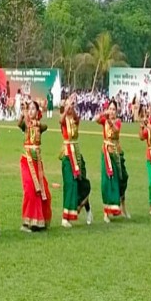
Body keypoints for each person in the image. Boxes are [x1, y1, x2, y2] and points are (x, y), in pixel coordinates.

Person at [59, 95, 92, 227]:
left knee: (81, 182)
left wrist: (72, 105)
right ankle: (65, 217)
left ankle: (87, 209)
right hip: (68, 154)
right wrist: (66, 107)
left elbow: (77, 118)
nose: (70, 107)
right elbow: (60, 120)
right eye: (68, 105)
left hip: (77, 154)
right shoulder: (64, 120)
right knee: (70, 184)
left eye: (72, 105)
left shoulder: (75, 119)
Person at [19, 101, 51, 231]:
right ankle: (27, 222)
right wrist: (24, 114)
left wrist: (36, 122)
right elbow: (20, 124)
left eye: (33, 109)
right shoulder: (25, 125)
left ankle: (38, 221)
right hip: (26, 160)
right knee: (30, 189)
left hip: (37, 161)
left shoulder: (39, 126)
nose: (31, 111)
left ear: (37, 112)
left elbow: (45, 126)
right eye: (29, 108)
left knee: (42, 190)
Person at [97, 100, 129, 221]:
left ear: (117, 111)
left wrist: (109, 121)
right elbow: (96, 119)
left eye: (113, 109)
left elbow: (116, 130)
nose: (111, 111)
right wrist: (103, 114)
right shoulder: (104, 120)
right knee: (108, 181)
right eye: (110, 109)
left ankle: (122, 205)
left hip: (117, 153)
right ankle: (106, 212)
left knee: (122, 178)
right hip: (107, 153)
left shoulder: (117, 122)